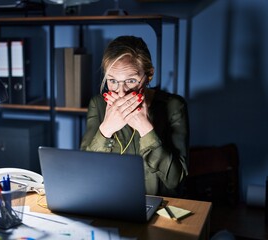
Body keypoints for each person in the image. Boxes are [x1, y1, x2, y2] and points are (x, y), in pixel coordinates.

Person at [80, 36, 189, 197]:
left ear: (149, 75)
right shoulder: (98, 104)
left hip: (158, 206)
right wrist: (106, 130)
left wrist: (145, 129)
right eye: (112, 81)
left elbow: (174, 180)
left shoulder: (174, 105)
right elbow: (85, 175)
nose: (121, 92)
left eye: (131, 81)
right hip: (109, 202)